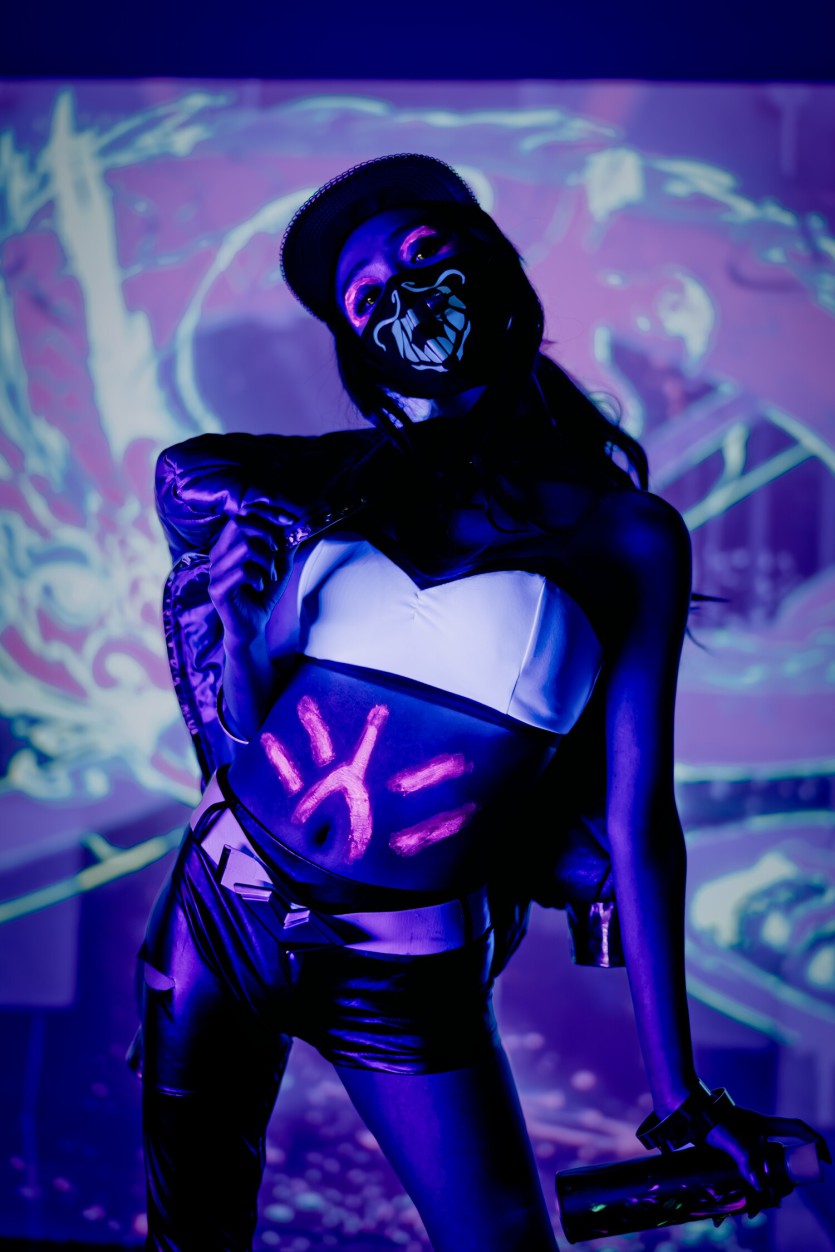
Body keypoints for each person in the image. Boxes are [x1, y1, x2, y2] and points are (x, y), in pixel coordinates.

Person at [138, 153, 790, 1251]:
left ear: (493, 262)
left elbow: (640, 824)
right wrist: (236, 634)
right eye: (363, 296)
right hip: (219, 905)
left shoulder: (627, 535)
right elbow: (248, 721)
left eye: (424, 253)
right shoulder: (343, 498)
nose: (401, 293)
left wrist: (677, 1091)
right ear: (358, 346)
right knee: (186, 1242)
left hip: (400, 969)